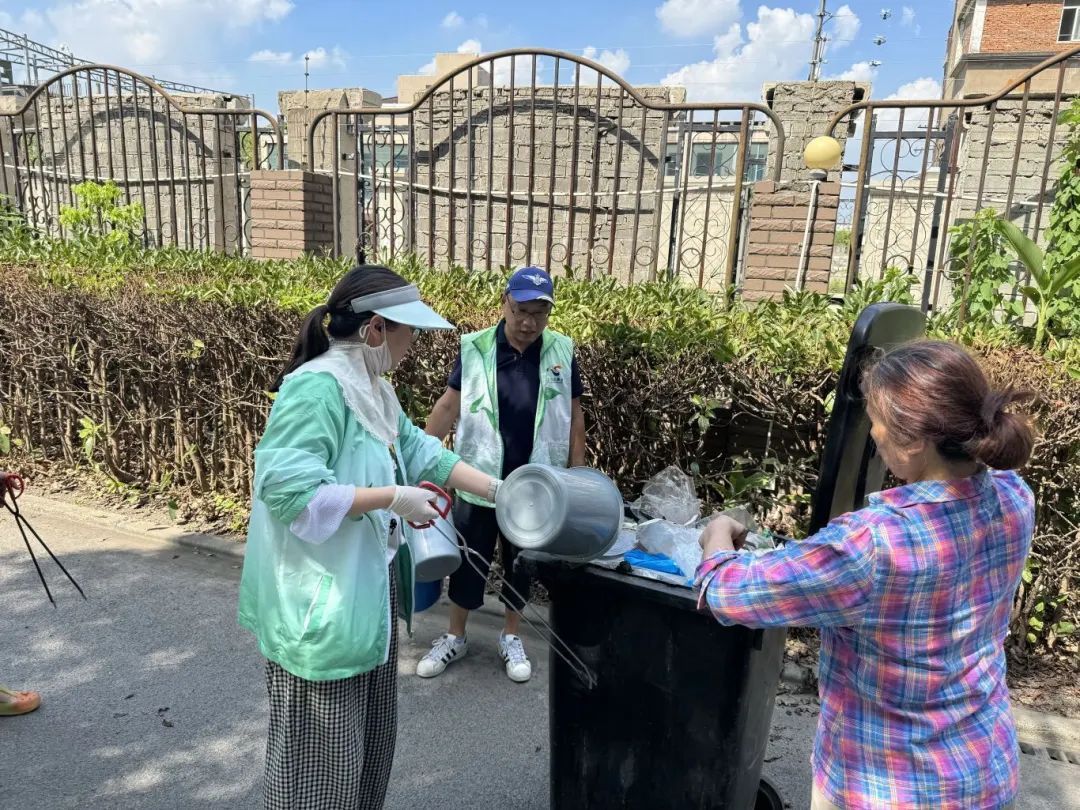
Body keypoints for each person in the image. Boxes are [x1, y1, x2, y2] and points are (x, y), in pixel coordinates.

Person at [697, 340, 1035, 810]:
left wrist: (717, 534)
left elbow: (726, 593)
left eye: (876, 420)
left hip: (887, 790)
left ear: (914, 440)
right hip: (985, 773)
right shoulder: (1014, 496)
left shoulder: (872, 546)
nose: (873, 434)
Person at [237, 265, 501, 810]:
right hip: (321, 609)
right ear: (376, 329)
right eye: (409, 332)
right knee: (317, 770)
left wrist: (501, 491)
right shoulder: (316, 390)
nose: (413, 345)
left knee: (366, 753)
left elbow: (421, 450)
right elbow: (289, 493)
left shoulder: (375, 390)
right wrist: (391, 497)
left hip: (364, 600)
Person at [417, 266, 586, 683]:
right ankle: (455, 635)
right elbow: (448, 405)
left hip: (535, 487)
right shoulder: (475, 347)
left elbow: (574, 417)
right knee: (467, 560)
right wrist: (418, 456)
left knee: (520, 564)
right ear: (504, 303)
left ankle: (511, 636)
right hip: (477, 478)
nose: (528, 322)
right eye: (520, 311)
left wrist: (578, 478)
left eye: (539, 314)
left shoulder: (562, 351)